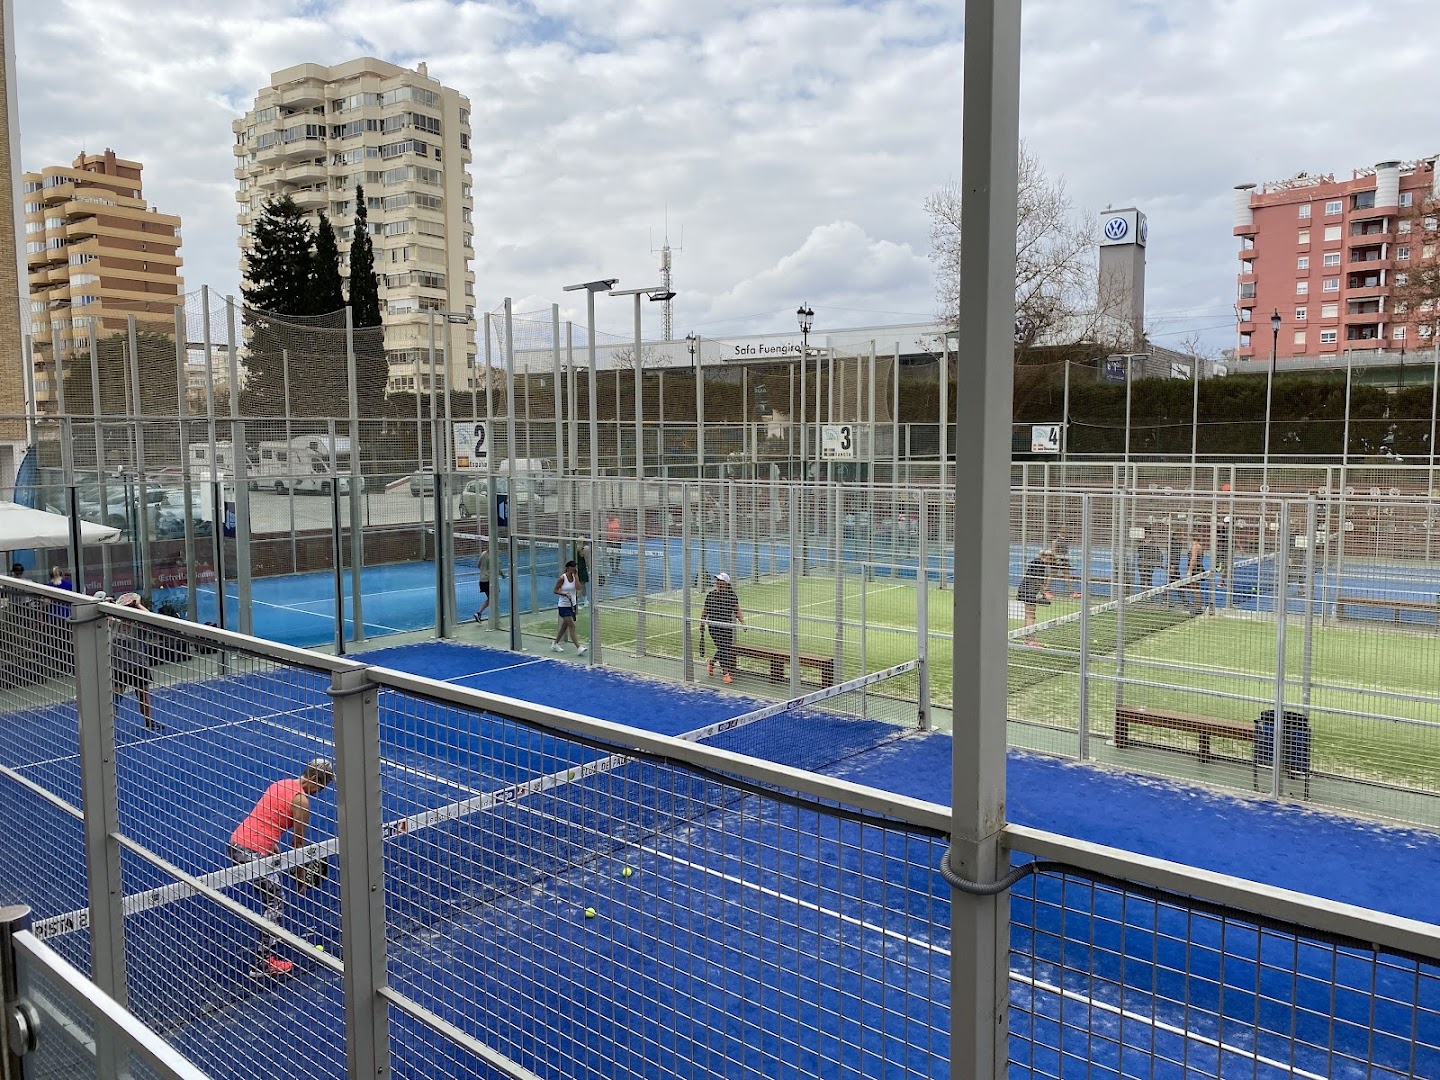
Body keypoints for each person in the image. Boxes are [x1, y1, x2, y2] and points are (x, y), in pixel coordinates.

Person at [227, 758, 335, 976]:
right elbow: (297, 844)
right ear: (313, 779)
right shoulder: (302, 802)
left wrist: (271, 843)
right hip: (251, 853)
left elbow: (266, 816)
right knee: (276, 901)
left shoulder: (281, 783)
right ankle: (263, 962)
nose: (319, 793)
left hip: (236, 843)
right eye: (320, 787)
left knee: (271, 897)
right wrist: (301, 877)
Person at [110, 592, 160, 733]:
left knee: (144, 696)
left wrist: (137, 603)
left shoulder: (140, 626)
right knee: (115, 699)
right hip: (120, 668)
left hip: (138, 666)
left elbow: (152, 618)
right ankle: (107, 727)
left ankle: (149, 722)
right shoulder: (114, 623)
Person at [701, 572, 744, 683]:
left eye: (721, 581)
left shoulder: (732, 596)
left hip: (727, 627)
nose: (718, 583)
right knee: (723, 649)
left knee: (724, 648)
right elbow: (705, 610)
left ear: (726, 583)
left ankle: (711, 662)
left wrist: (743, 622)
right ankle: (725, 673)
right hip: (714, 627)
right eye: (717, 581)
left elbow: (737, 610)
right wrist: (702, 623)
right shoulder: (711, 595)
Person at [1016, 551, 1055, 638]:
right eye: (1050, 558)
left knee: (1028, 614)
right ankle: (1030, 638)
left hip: (1026, 589)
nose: (1051, 561)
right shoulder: (1039, 563)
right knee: (1031, 615)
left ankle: (1027, 636)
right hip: (1029, 590)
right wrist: (1044, 592)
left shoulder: (1038, 563)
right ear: (1046, 557)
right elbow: (1036, 580)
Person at [551, 560, 587, 654]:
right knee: (572, 625)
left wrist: (576, 577)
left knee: (564, 626)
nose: (574, 568)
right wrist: (564, 594)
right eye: (572, 567)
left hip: (572, 605)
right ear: (568, 568)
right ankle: (578, 647)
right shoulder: (562, 578)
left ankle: (555, 643)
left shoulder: (575, 577)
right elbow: (555, 590)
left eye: (575, 567)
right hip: (563, 606)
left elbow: (579, 588)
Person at [604, 512, 623, 582]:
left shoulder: (617, 520)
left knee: (618, 555)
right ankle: (612, 568)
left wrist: (621, 536)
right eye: (609, 514)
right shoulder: (606, 522)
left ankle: (617, 567)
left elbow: (620, 529)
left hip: (618, 540)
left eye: (612, 514)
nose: (610, 515)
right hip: (610, 540)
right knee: (611, 555)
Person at [573, 538, 590, 607]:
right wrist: (589, 569)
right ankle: (575, 603)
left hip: (576, 569)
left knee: (582, 585)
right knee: (580, 587)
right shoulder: (583, 550)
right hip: (582, 569)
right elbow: (587, 560)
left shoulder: (575, 549)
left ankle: (585, 601)